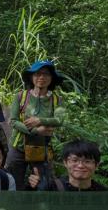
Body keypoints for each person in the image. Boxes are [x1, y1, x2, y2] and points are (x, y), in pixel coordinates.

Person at [5, 60, 65, 190]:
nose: (41, 77)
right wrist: (36, 130)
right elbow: (13, 120)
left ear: (52, 78)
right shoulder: (21, 96)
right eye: (37, 74)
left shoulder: (56, 99)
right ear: (32, 77)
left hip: (42, 149)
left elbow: (60, 120)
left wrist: (39, 120)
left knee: (43, 184)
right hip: (18, 148)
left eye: (46, 74)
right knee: (13, 183)